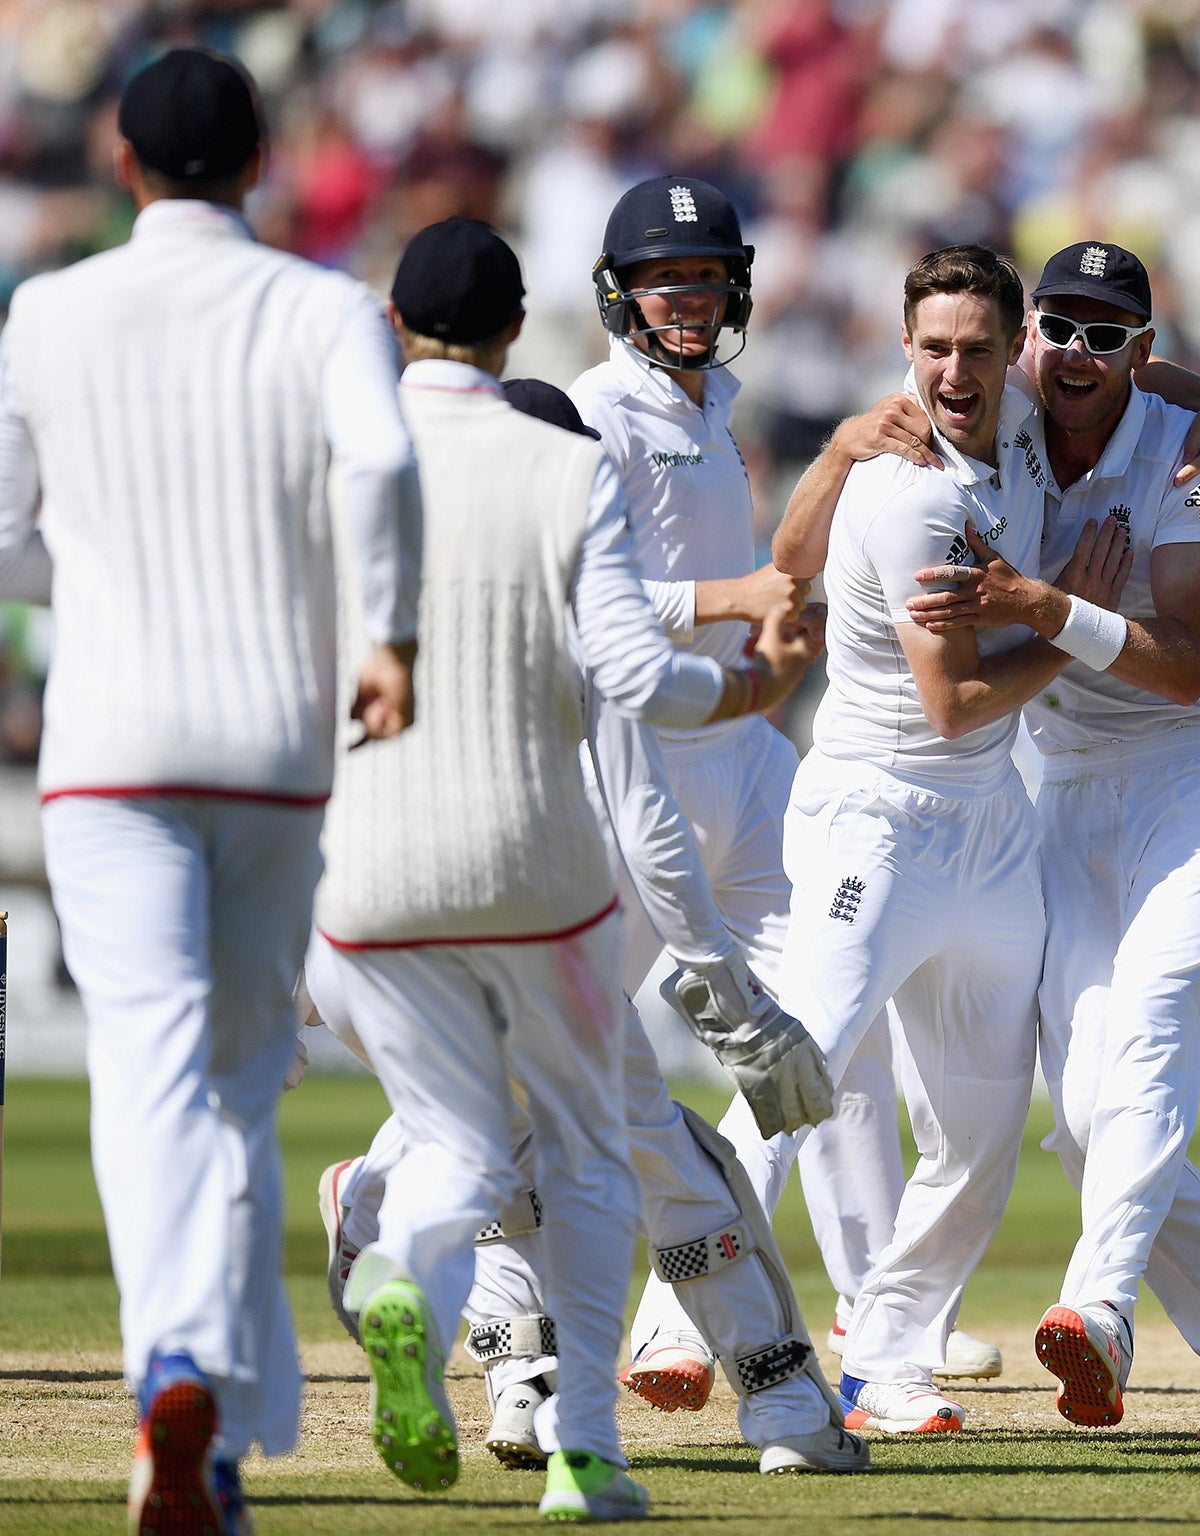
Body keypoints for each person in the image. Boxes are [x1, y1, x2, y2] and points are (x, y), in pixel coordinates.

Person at [304, 218, 817, 1522]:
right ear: (518, 326)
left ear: (394, 326)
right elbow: (639, 709)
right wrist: (745, 685)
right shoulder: (563, 472)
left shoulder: (343, 471)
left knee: (457, 1148)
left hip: (368, 887)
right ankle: (588, 1443)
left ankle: (394, 1253)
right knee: (596, 1157)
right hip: (536, 881)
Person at [0, 49, 423, 1535]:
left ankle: (175, 1366)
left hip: (112, 748)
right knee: (240, 1083)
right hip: (274, 744)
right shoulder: (316, 307)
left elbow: (1, 541)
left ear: (122, 167)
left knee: (151, 1068)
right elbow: (381, 464)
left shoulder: (46, 309)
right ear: (260, 164)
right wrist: (384, 632)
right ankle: (226, 1432)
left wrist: (99, 566)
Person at [567, 176, 1001, 1400]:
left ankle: (867, 1312)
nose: (691, 306)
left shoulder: (709, 406)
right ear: (620, 295)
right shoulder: (594, 413)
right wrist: (730, 602)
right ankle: (383, 1187)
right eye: (669, 286)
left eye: (707, 284)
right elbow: (586, 613)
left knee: (826, 1024)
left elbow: (768, 573)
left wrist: (831, 467)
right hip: (636, 766)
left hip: (744, 758)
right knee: (555, 1048)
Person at [903, 241, 1200, 1442]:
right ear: (1028, 331)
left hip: (1194, 771)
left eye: (1110, 333)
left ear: (1143, 353)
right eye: (1062, 326)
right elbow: (884, 421)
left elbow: (1187, 665)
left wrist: (1050, 608)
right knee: (1090, 1124)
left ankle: (1098, 1310)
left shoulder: (1187, 452)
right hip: (1067, 783)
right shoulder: (996, 417)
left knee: (1145, 1035)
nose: (1078, 353)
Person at [730, 243, 1131, 1435]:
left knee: (980, 1128)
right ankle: (675, 1304)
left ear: (1015, 351)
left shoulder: (1014, 418)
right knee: (795, 1063)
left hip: (988, 822)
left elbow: (1144, 380)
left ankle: (888, 1356)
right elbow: (950, 696)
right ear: (905, 349)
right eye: (933, 349)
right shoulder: (908, 484)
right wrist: (1079, 626)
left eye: (975, 348)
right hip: (878, 810)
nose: (954, 372)